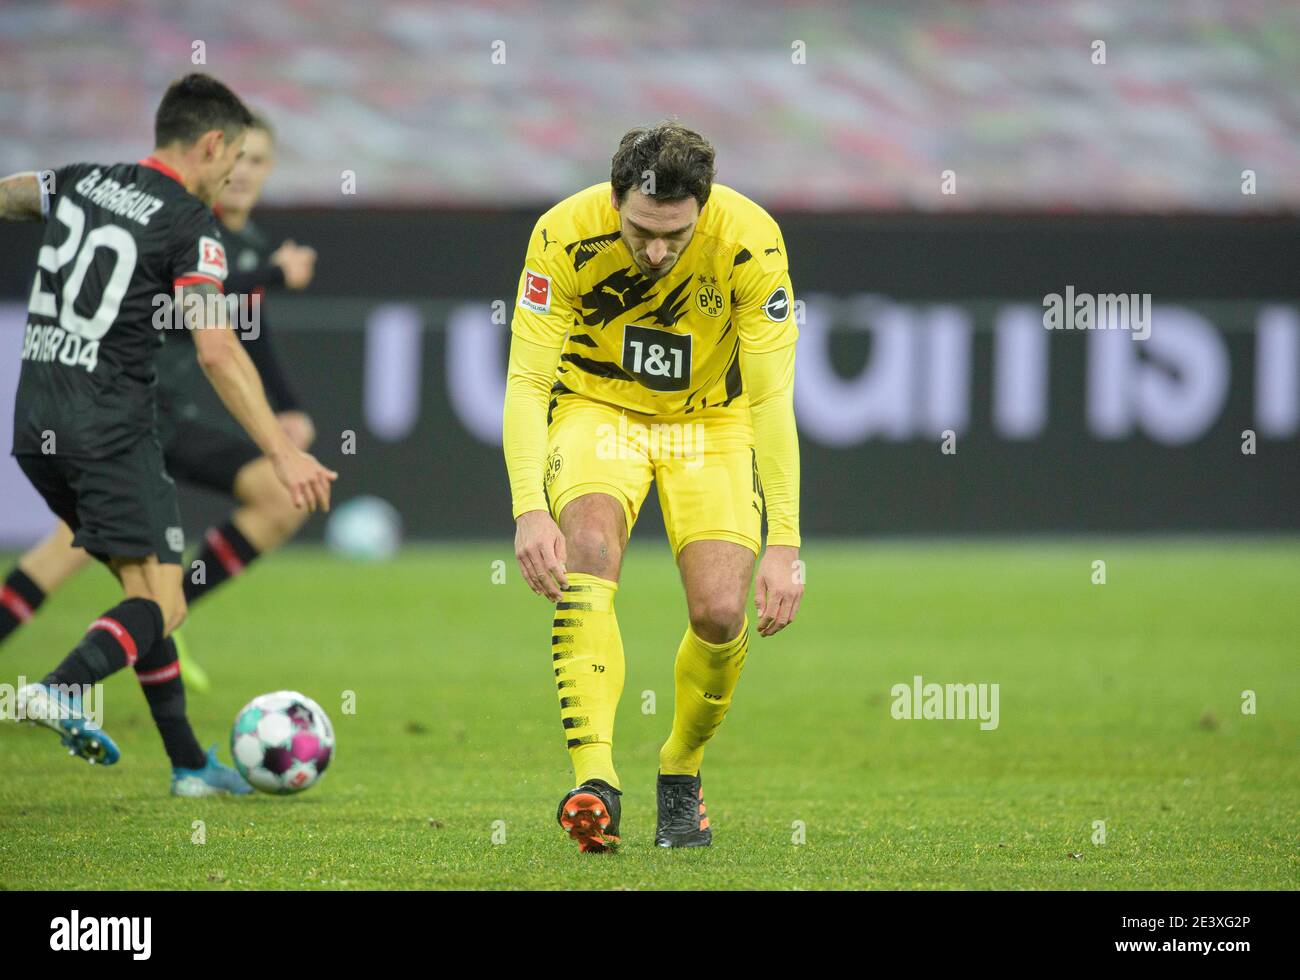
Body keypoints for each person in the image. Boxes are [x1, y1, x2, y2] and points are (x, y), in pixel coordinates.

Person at [0, 73, 336, 795]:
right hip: (113, 426)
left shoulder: (85, 178)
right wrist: (283, 450)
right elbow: (216, 348)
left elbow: (14, 192)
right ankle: (62, 687)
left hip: (36, 420)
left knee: (142, 585)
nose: (232, 175)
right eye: (233, 158)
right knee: (164, 603)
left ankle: (188, 765)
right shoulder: (191, 224)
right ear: (211, 143)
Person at [503, 122, 803, 851]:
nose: (657, 251)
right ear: (614, 201)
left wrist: (786, 541)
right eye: (641, 232)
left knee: (720, 612)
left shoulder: (750, 241)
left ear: (704, 207)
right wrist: (528, 509)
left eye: (674, 233)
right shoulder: (562, 235)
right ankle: (595, 782)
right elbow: (527, 381)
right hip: (597, 409)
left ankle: (681, 770)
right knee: (591, 550)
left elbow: (769, 401)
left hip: (710, 423)